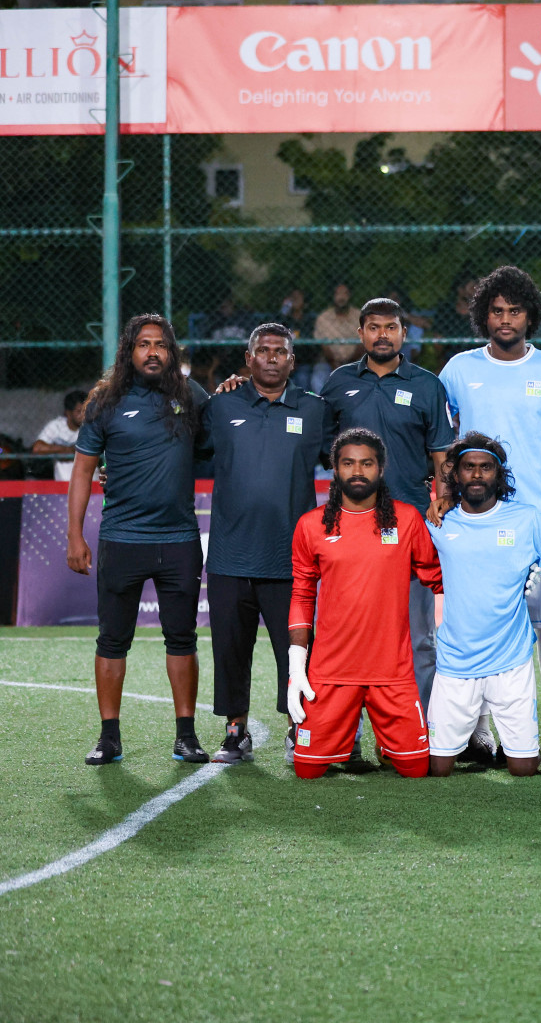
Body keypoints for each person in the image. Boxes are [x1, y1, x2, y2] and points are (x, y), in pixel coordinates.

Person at [439, 266, 541, 760]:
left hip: (539, 517)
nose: (505, 319)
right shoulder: (458, 369)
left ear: (529, 315)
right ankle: (477, 732)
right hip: (477, 518)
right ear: (483, 315)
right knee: (477, 624)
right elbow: (441, 434)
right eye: (496, 310)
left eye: (514, 310)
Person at [67, 314, 210, 765]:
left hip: (180, 539)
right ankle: (109, 736)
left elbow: (224, 436)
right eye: (143, 344)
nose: (153, 352)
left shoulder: (193, 397)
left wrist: (229, 390)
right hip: (122, 539)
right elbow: (84, 471)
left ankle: (186, 735)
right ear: (129, 351)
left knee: (182, 639)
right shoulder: (105, 402)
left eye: (161, 345)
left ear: (172, 353)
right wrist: (75, 535)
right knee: (112, 641)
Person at [319, 297, 454, 716]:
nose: (382, 335)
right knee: (350, 635)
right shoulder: (338, 383)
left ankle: (423, 727)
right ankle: (348, 733)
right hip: (351, 528)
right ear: (360, 333)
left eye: (391, 327)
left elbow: (441, 454)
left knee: (418, 636)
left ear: (403, 333)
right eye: (374, 327)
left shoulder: (427, 385)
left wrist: (444, 497)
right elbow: (323, 450)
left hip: (410, 524)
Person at [200, 324, 327, 764]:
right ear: (249, 359)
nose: (271, 357)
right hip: (230, 555)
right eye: (263, 351)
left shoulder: (316, 410)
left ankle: (298, 727)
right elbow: (184, 452)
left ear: (292, 361)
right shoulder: (221, 406)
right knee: (230, 649)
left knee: (294, 652)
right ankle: (236, 730)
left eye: (280, 352)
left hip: (291, 557)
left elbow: (349, 460)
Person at [287, 429, 440, 780]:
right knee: (307, 771)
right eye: (348, 463)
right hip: (331, 672)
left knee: (416, 769)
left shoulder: (406, 519)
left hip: (392, 671)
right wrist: (298, 667)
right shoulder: (311, 525)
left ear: (380, 468)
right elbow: (301, 594)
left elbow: (439, 577)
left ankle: (387, 745)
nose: (358, 470)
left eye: (367, 463)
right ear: (334, 469)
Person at [425, 433, 541, 779]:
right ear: (455, 474)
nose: (477, 474)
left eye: (486, 467)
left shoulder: (526, 519)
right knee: (437, 768)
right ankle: (475, 736)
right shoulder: (439, 523)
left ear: (498, 475)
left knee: (525, 768)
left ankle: (503, 742)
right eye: (469, 467)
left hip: (510, 662)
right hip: (456, 662)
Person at [310, 282, 362, 389]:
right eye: (338, 294)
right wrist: (334, 364)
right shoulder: (323, 318)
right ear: (333, 296)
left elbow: (363, 344)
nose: (341, 298)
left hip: (355, 361)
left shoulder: (360, 316)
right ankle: (321, 404)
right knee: (318, 378)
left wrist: (349, 365)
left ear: (350, 296)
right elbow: (324, 346)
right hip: (329, 362)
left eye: (345, 294)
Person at [32, 389, 88, 482]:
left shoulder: (92, 425)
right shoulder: (57, 426)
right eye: (79, 412)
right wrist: (67, 450)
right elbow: (37, 448)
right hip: (63, 483)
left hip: (90, 482)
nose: (84, 416)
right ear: (68, 413)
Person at [433, 272, 479, 341]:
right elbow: (438, 337)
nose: (475, 291)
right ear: (460, 290)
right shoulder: (446, 310)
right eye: (472, 288)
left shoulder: (481, 311)